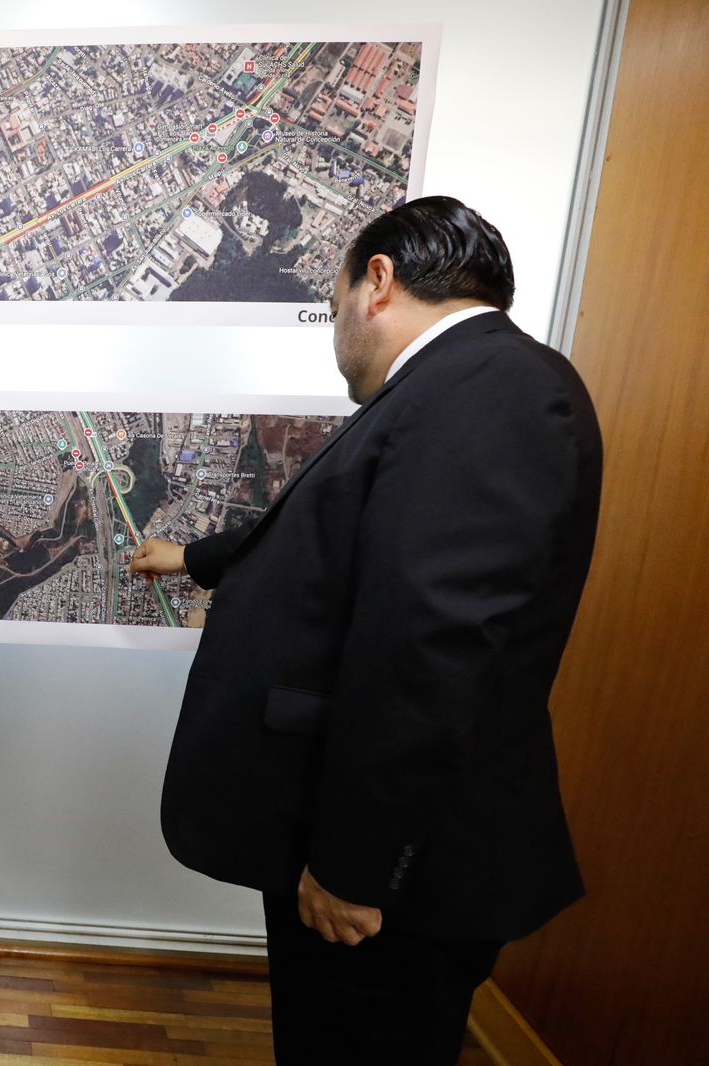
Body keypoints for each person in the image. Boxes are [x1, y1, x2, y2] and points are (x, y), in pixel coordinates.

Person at [130, 196, 601, 1066]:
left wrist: (353, 866)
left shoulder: (492, 392)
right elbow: (349, 537)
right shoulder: (461, 385)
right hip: (381, 849)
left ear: (376, 282)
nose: (336, 332)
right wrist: (195, 556)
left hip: (391, 874)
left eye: (333, 300)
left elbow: (432, 648)